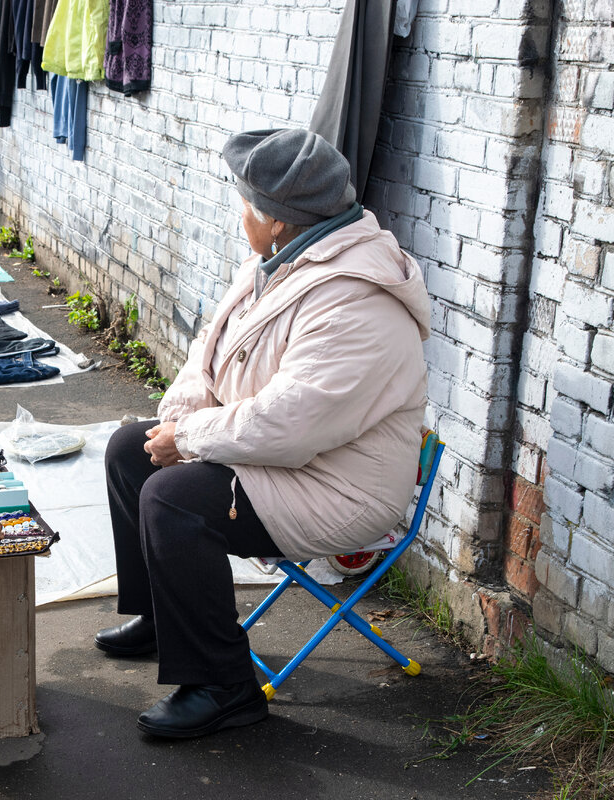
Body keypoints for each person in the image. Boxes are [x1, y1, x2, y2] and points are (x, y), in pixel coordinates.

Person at [97, 128, 430, 738]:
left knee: (173, 500)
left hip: (337, 486)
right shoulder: (286, 260)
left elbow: (292, 424)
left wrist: (191, 438)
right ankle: (161, 619)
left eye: (246, 203)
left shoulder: (356, 298)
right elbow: (212, 354)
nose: (239, 213)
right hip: (286, 460)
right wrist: (177, 422)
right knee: (130, 452)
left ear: (277, 219)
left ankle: (226, 688)